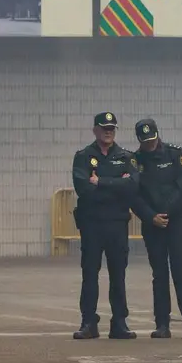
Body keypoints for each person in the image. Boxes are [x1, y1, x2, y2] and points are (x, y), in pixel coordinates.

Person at [71, 111, 140, 340]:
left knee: (118, 275)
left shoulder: (126, 156)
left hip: (117, 224)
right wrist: (116, 186)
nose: (108, 132)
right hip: (92, 224)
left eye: (111, 128)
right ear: (95, 130)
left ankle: (119, 323)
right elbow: (84, 190)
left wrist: (101, 182)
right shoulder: (83, 156)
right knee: (90, 274)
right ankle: (88, 322)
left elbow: (132, 187)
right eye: (104, 128)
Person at [131, 118, 182, 340]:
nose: (150, 145)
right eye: (145, 142)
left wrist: (167, 213)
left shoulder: (174, 154)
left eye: (152, 140)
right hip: (152, 224)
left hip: (177, 221)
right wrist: (151, 217)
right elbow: (134, 194)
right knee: (159, 275)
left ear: (158, 135)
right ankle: (162, 324)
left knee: (181, 271)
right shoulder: (134, 161)